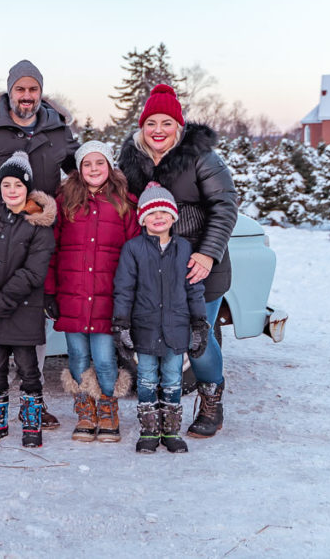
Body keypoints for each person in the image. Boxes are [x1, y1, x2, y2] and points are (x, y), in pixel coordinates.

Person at [0, 59, 80, 440]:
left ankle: (30, 404)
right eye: (20, 90)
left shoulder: (58, 131)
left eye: (33, 90)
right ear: (10, 92)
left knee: (33, 326)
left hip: (39, 237)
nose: (27, 97)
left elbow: (82, 175)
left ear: (41, 92)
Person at [116, 84, 238, 438]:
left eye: (166, 123)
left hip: (198, 263)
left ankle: (212, 404)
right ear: (142, 127)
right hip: (155, 267)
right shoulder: (132, 160)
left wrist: (207, 253)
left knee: (197, 341)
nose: (158, 130)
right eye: (151, 122)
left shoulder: (201, 158)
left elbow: (225, 206)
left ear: (179, 127)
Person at [44, 141, 138, 443]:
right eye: (87, 164)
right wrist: (50, 291)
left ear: (109, 167)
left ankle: (108, 408)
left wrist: (130, 295)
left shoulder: (124, 202)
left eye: (100, 163)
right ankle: (85, 409)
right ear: (79, 169)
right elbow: (52, 248)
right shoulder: (64, 201)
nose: (94, 169)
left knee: (105, 357)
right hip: (71, 293)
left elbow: (135, 252)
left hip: (106, 295)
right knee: (77, 355)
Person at [112, 184, 210, 454]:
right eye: (152, 213)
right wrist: (121, 323)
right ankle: (148, 431)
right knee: (145, 378)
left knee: (172, 379)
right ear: (143, 219)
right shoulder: (133, 249)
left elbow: (194, 288)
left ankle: (171, 431)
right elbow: (124, 289)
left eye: (163, 213)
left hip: (176, 329)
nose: (158, 218)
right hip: (145, 326)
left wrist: (199, 323)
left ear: (173, 217)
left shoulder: (185, 248)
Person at [0, 152, 57, 447]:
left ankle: (32, 425)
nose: (12, 190)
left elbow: (34, 271)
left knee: (28, 370)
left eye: (17, 185)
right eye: (6, 184)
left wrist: (4, 299)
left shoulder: (38, 225)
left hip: (24, 311)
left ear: (27, 188)